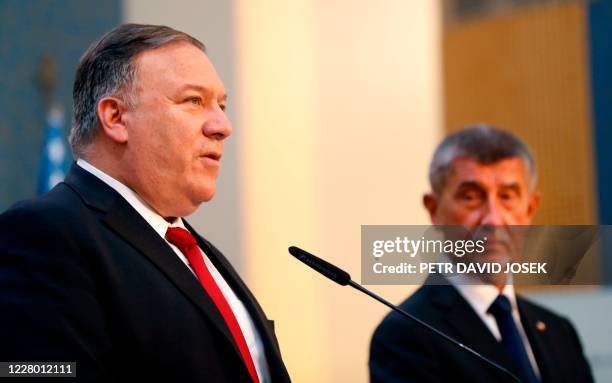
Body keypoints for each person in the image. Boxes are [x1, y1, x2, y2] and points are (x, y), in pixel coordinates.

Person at [0, 24, 290, 383]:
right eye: (194, 100)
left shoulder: (193, 249)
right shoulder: (44, 233)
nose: (222, 125)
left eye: (222, 105)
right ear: (116, 118)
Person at [369, 125, 593, 382]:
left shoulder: (558, 330)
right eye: (471, 197)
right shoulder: (406, 335)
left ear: (530, 209)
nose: (494, 219)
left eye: (507, 196)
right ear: (434, 210)